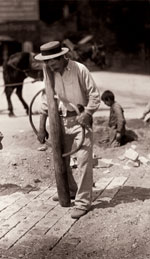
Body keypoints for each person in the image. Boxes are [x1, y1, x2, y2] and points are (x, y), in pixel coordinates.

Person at [35, 41, 100, 219]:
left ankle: (82, 202)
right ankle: (70, 190)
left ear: (63, 57)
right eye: (46, 61)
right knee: (61, 161)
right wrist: (42, 127)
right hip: (60, 122)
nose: (49, 64)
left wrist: (87, 113)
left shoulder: (79, 69)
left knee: (84, 162)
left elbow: (95, 95)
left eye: (52, 60)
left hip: (81, 122)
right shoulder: (48, 73)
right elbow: (45, 99)